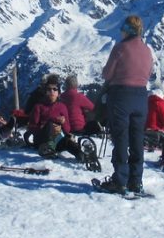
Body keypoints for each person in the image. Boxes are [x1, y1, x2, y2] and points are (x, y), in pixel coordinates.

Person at [96, 15, 153, 194]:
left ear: (127, 30)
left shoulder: (120, 48)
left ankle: (119, 180)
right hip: (141, 97)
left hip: (121, 96)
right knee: (137, 140)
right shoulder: (147, 50)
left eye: (122, 29)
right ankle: (136, 181)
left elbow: (107, 74)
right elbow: (148, 73)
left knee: (121, 138)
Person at [27, 80, 84, 161]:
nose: (52, 91)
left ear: (58, 93)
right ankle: (48, 149)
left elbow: (67, 129)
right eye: (49, 89)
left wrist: (63, 123)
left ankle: (80, 154)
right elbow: (32, 127)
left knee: (67, 141)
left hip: (57, 139)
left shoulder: (62, 106)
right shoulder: (38, 106)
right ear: (45, 92)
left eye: (55, 89)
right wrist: (46, 124)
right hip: (42, 141)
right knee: (50, 124)